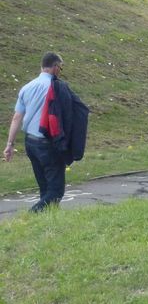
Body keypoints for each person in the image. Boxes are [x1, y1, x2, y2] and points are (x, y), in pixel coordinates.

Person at [4, 52, 89, 213]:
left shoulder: (27, 87)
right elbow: (72, 114)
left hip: (30, 143)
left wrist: (10, 144)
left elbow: (17, 118)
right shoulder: (58, 88)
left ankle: (49, 222)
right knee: (56, 191)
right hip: (49, 144)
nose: (60, 71)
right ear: (55, 67)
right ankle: (32, 215)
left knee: (45, 189)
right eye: (61, 68)